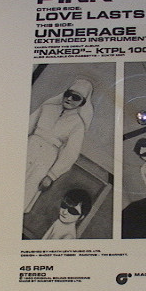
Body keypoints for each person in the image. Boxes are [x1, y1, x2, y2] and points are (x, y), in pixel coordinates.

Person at [24, 78, 93, 213]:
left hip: (45, 160)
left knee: (26, 191)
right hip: (28, 148)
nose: (69, 99)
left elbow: (71, 153)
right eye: (68, 94)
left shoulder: (78, 125)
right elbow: (26, 127)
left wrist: (51, 175)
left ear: (82, 103)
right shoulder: (47, 108)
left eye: (76, 97)